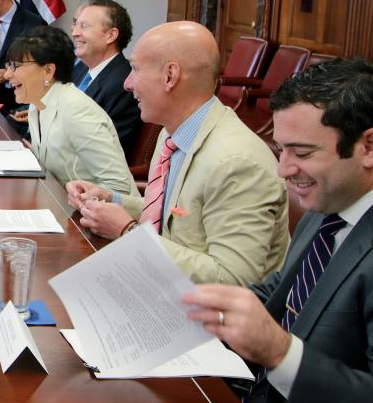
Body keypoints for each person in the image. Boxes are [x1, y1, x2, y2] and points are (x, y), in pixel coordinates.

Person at [184, 58, 373, 403]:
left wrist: (280, 353)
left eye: (301, 153)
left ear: (368, 146)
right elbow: (282, 290)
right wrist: (192, 308)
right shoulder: (328, 206)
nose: (283, 169)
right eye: (281, 149)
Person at [67, 21, 288, 286]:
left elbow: (233, 279)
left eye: (135, 69)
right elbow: (174, 214)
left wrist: (128, 231)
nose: (127, 83)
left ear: (170, 76)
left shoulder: (236, 162)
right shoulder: (174, 131)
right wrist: (112, 200)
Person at [3, 26, 137, 195]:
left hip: (95, 215)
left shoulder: (76, 110)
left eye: (15, 66)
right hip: (60, 203)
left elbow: (119, 187)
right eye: (8, 66)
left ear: (48, 71)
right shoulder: (36, 103)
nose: (7, 75)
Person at [69, 0, 141, 154]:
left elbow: (104, 148)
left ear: (111, 35)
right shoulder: (80, 69)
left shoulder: (125, 83)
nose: (75, 32)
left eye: (84, 26)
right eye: (75, 25)